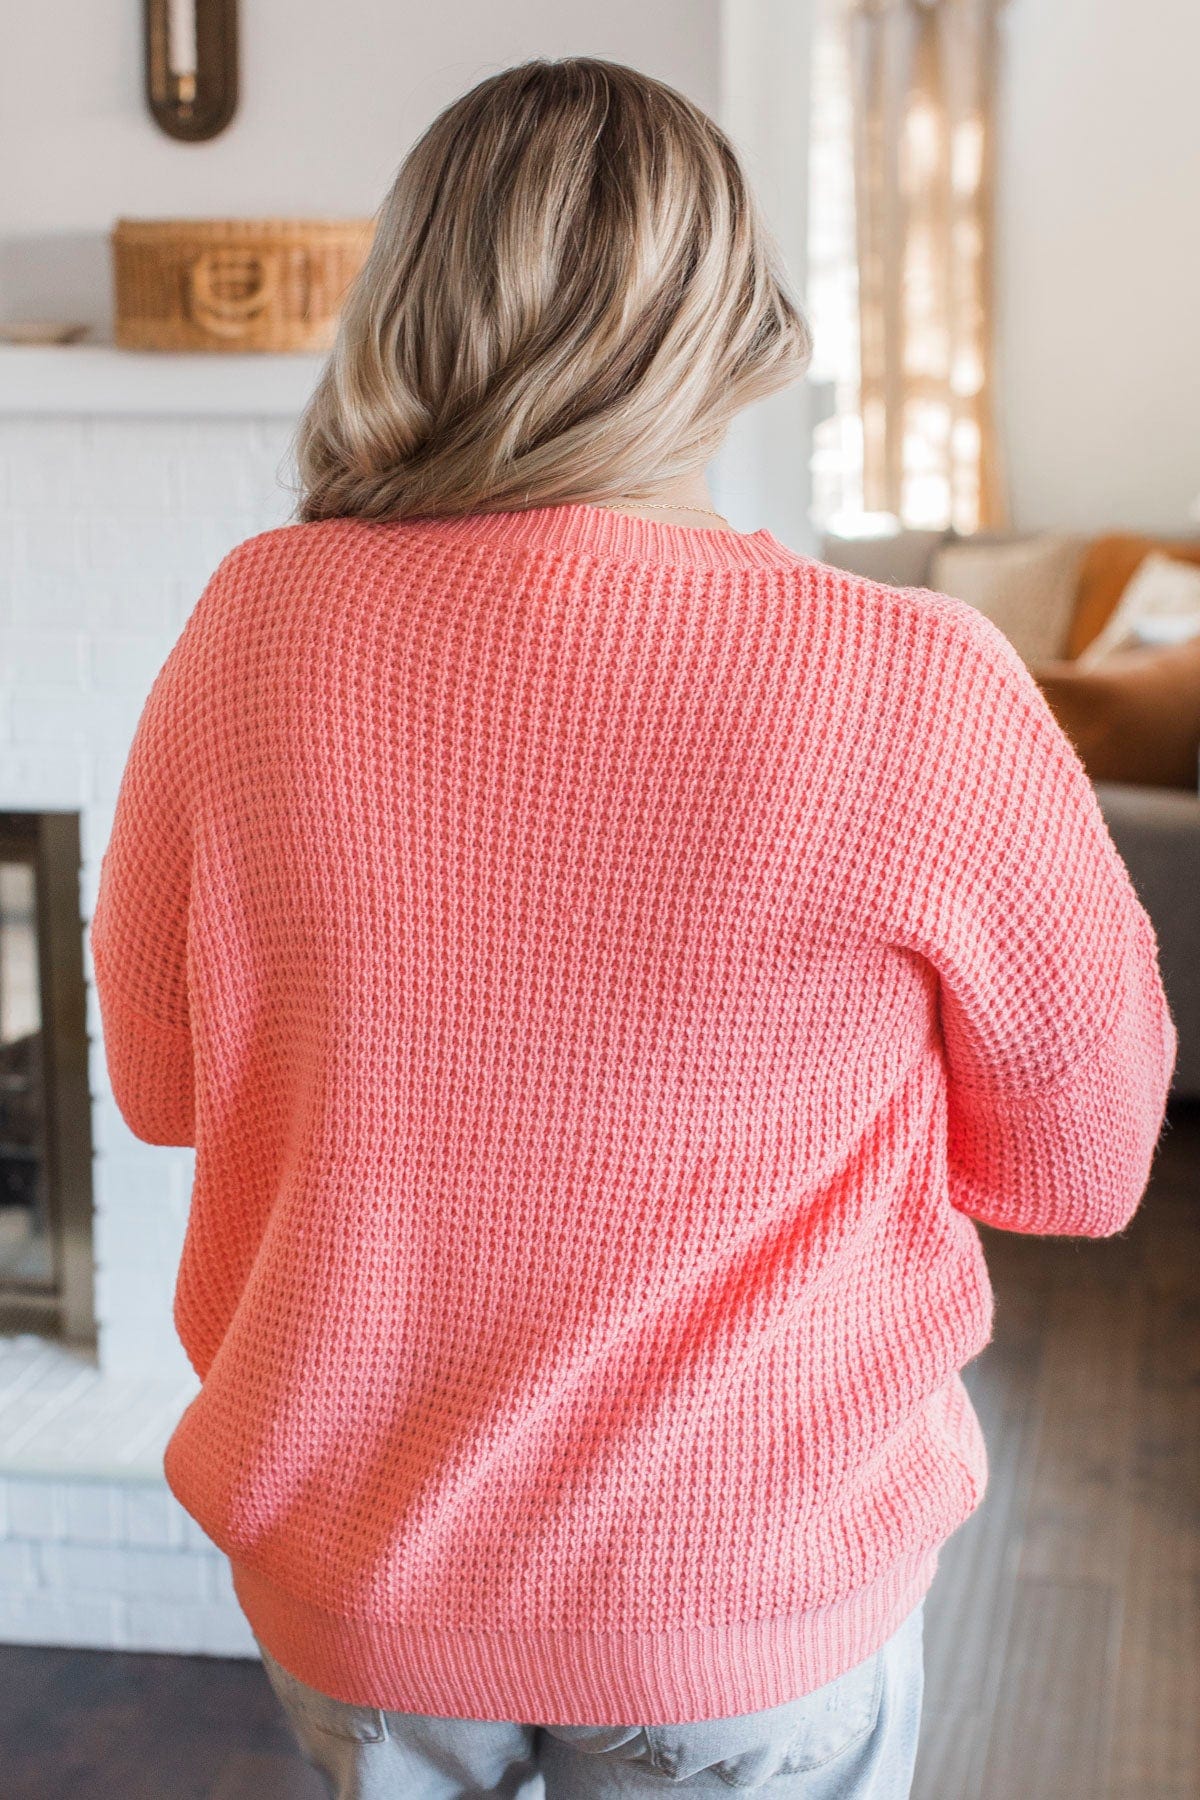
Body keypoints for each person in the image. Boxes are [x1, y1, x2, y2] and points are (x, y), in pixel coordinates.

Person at [90, 54, 1177, 1800]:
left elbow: (162, 1087)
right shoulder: (912, 682)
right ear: (731, 322)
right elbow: (1085, 1161)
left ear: (409, 301)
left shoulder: (256, 625)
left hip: (360, 1595)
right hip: (744, 1604)